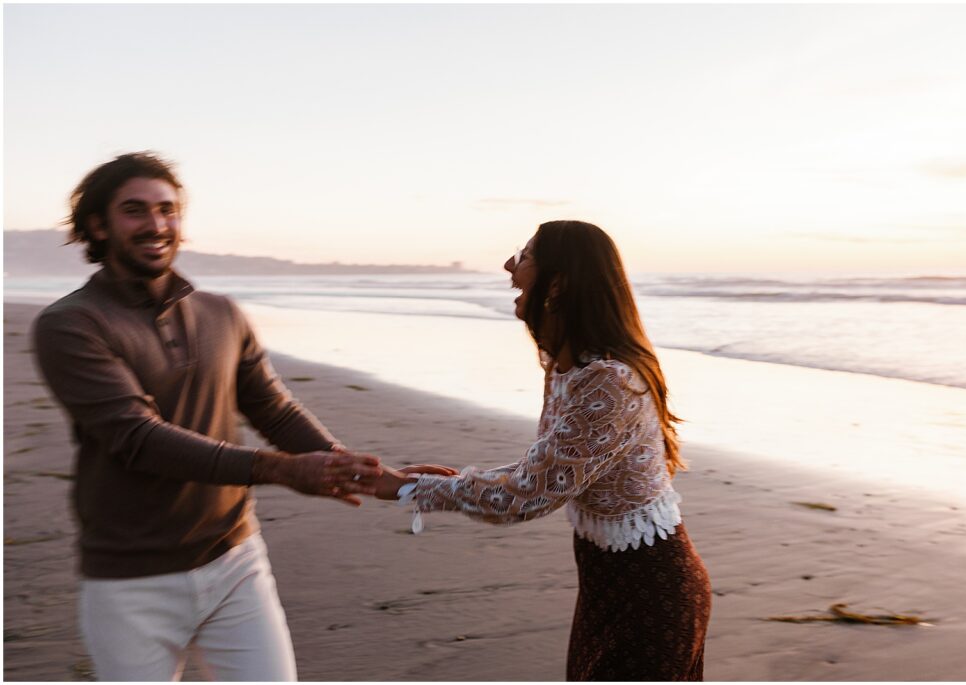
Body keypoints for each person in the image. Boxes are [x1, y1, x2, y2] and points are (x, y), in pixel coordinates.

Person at [31, 152, 447, 681]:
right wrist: (280, 470)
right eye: (135, 210)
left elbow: (273, 409)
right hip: (130, 583)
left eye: (168, 209)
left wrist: (376, 479)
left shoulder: (221, 313)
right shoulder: (71, 324)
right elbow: (138, 437)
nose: (156, 224)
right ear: (98, 224)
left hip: (235, 564)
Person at [375, 220, 712, 681]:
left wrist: (413, 489)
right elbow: (551, 467)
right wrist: (453, 482)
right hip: (608, 583)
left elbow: (528, 496)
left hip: (651, 592)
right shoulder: (567, 366)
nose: (509, 265)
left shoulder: (608, 382)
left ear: (560, 283)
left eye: (526, 255)